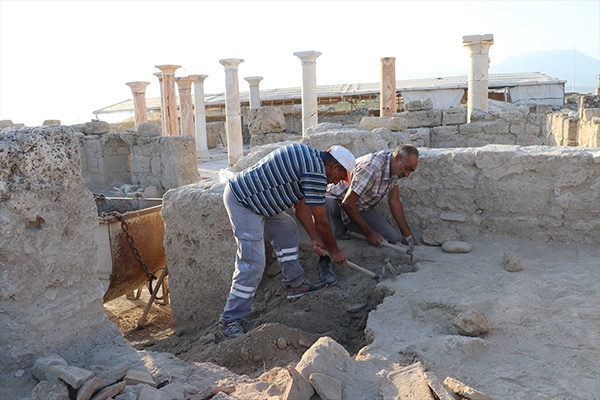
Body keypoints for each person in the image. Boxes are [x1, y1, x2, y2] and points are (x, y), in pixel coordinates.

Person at [218, 142, 356, 339]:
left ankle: (295, 284)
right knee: (253, 263)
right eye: (340, 178)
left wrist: (315, 238)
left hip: (260, 201)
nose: (336, 184)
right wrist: (334, 250)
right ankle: (230, 320)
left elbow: (300, 208)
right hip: (244, 201)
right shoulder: (316, 172)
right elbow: (322, 219)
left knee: (287, 228)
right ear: (333, 167)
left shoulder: (309, 158)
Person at [318, 144, 419, 286]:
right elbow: (347, 203)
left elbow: (394, 201)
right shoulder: (372, 168)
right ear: (397, 158)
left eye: (411, 171)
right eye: (407, 169)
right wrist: (369, 233)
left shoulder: (395, 169)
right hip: (340, 200)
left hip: (360, 207)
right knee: (325, 204)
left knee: (391, 237)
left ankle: (343, 225)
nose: (408, 174)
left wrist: (407, 235)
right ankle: (324, 258)